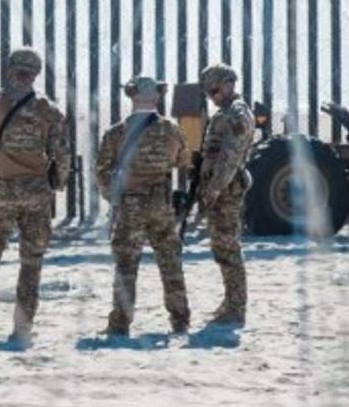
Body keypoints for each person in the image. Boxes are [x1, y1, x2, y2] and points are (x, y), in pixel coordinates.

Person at [0, 48, 71, 345]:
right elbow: (62, 154)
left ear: (10, 69)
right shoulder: (49, 110)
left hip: (3, 192)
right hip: (36, 194)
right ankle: (22, 328)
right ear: (36, 73)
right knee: (31, 263)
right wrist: (56, 182)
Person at [96, 75, 191, 336]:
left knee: (126, 266)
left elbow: (102, 173)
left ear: (131, 96)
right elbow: (183, 161)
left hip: (130, 206)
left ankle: (120, 324)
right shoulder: (172, 130)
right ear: (158, 97)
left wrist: (114, 199)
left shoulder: (116, 133)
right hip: (161, 203)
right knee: (170, 264)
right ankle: (180, 320)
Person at [197, 63, 255, 327]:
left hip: (227, 190)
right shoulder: (227, 112)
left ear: (230, 84)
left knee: (228, 247)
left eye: (215, 89)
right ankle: (230, 301)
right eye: (209, 92)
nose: (213, 96)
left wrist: (215, 187)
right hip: (221, 189)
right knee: (221, 246)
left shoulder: (237, 114)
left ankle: (236, 306)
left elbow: (230, 157)